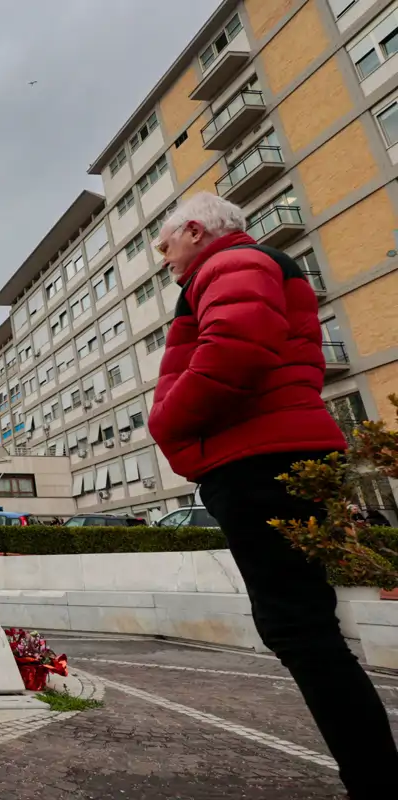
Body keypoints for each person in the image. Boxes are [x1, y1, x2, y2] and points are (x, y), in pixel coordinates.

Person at [148, 192, 398, 796]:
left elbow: (236, 349)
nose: (164, 258)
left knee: (299, 628)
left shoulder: (232, 264)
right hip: (267, 455)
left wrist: (165, 423)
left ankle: (376, 782)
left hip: (258, 460)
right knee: (304, 626)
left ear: (196, 231)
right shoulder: (244, 265)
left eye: (166, 244)